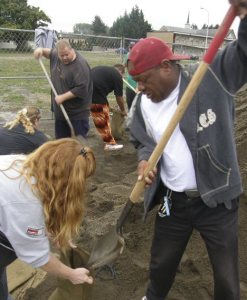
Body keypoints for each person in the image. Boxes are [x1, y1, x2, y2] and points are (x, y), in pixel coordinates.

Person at [127, 1, 247, 299]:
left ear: (166, 67)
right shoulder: (142, 105)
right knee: (161, 261)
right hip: (173, 201)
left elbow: (244, 52)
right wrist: (144, 162)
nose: (139, 87)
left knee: (226, 277)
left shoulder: (210, 77)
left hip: (217, 201)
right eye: (136, 81)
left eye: (143, 79)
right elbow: (143, 141)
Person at [0, 138, 96, 300]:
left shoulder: (23, 163)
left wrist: (53, 233)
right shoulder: (24, 202)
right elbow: (40, 258)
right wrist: (71, 274)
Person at [33, 40, 93, 139]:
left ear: (71, 50)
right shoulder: (57, 55)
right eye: (61, 55)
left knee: (79, 143)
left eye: (67, 54)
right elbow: (49, 53)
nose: (64, 57)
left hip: (77, 113)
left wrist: (63, 97)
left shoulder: (80, 66)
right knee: (62, 142)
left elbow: (82, 89)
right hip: (61, 110)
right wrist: (40, 50)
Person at [91, 64, 127, 151]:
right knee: (100, 114)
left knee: (101, 110)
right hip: (94, 88)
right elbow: (119, 98)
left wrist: (108, 107)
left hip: (86, 85)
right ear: (121, 73)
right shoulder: (117, 76)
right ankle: (109, 143)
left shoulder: (106, 70)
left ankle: (107, 139)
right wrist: (123, 110)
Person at [124, 41, 138, 110]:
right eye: (130, 47)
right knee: (130, 104)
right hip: (129, 85)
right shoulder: (128, 55)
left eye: (133, 47)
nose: (131, 49)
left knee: (136, 106)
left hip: (137, 86)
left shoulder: (139, 55)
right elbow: (124, 65)